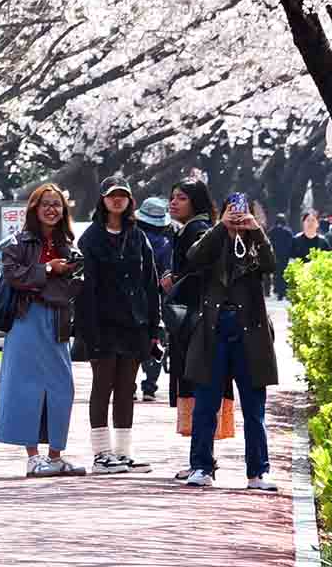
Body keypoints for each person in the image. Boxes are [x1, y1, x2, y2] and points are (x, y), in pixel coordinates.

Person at [182, 196, 280, 491]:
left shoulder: (255, 242)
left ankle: (258, 471)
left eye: (242, 212)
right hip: (214, 329)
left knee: (254, 406)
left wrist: (256, 230)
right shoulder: (213, 239)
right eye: (231, 212)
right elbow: (194, 257)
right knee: (206, 404)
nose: (237, 217)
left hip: (250, 330)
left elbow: (271, 265)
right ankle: (201, 466)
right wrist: (220, 228)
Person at [0, 181, 86, 478]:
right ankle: (33, 457)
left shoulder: (70, 245)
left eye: (56, 204)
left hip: (57, 318)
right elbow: (12, 275)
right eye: (45, 203)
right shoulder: (18, 243)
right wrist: (48, 270)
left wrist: (74, 273)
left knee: (62, 386)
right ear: (34, 208)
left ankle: (56, 455)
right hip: (26, 318)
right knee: (25, 386)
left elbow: (75, 287)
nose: (51, 209)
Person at [73, 177, 160, 475]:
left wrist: (152, 327)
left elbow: (150, 284)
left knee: (126, 388)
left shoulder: (138, 237)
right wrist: (88, 331)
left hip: (134, 326)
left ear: (130, 201)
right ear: (103, 200)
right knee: (102, 386)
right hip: (102, 326)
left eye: (123, 196)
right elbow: (85, 291)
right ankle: (101, 454)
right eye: (112, 196)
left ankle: (123, 453)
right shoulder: (90, 239)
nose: (118, 201)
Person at [164, 179, 217, 480]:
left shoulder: (198, 231)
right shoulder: (188, 230)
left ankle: (203, 461)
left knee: (200, 389)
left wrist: (176, 281)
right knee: (196, 389)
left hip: (196, 320)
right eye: (172, 197)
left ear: (195, 202)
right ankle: (199, 458)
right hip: (194, 319)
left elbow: (200, 272)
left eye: (180, 198)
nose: (173, 203)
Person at [133, 198, 176, 402]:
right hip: (157, 298)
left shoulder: (131, 237)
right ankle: (149, 386)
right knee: (156, 341)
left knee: (131, 342)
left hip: (131, 297)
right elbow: (167, 273)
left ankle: (128, 385)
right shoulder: (165, 244)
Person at [268, 209, 296, 299]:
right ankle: (282, 290)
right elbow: (292, 244)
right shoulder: (288, 231)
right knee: (283, 273)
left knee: (276, 273)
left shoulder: (272, 231)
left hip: (274, 255)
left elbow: (268, 242)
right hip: (284, 256)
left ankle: (277, 289)